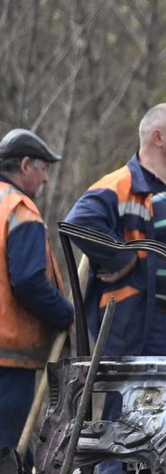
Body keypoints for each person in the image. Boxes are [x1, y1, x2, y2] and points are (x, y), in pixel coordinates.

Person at [65, 104, 166, 474]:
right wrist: (122, 259)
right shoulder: (123, 184)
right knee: (124, 433)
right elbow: (78, 222)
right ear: (157, 137)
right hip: (139, 329)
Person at [0, 129, 74, 453]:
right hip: (9, 362)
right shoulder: (20, 210)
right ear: (26, 164)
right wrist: (68, 315)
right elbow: (29, 282)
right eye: (44, 168)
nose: (45, 180)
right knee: (9, 454)